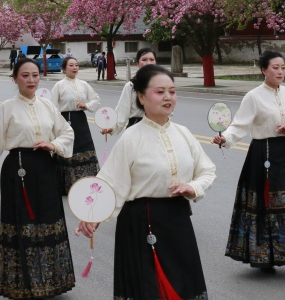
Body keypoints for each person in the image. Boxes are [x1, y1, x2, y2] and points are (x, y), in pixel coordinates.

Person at [78, 64, 216, 300]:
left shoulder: (183, 133)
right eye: (159, 91)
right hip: (141, 224)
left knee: (183, 283)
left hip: (178, 220)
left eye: (172, 91)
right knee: (148, 288)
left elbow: (207, 170)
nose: (168, 97)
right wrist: (92, 215)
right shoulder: (131, 138)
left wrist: (192, 187)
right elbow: (110, 181)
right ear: (141, 97)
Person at [0, 58, 75, 299]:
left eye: (35, 75)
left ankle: (51, 279)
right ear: (15, 78)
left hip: (45, 169)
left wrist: (53, 144)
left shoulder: (47, 105)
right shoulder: (7, 107)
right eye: (25, 75)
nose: (31, 80)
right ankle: (22, 282)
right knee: (22, 223)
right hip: (17, 172)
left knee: (48, 220)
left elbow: (67, 132)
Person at [213, 50, 285, 275]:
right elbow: (239, 125)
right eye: (275, 67)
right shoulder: (253, 96)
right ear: (264, 70)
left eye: (283, 67)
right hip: (261, 154)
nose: (281, 71)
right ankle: (265, 257)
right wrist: (225, 138)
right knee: (265, 205)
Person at [51, 56, 101, 194]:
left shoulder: (84, 84)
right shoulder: (59, 85)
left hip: (81, 120)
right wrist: (57, 124)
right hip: (65, 120)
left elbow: (96, 99)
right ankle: (67, 186)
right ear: (64, 69)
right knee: (67, 150)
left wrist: (87, 105)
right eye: (71, 65)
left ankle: (87, 184)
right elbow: (53, 106)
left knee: (85, 148)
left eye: (76, 65)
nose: (75, 68)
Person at [109, 47, 157, 136]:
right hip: (135, 130)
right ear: (137, 64)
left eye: (152, 59)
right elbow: (121, 113)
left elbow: (169, 111)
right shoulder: (131, 86)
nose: (148, 62)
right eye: (144, 59)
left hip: (156, 129)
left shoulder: (162, 86)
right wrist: (111, 128)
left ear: (156, 62)